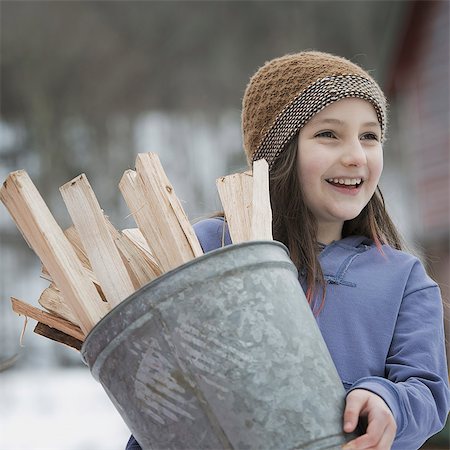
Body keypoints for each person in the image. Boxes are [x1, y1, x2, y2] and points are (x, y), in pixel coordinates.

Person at [126, 51, 449, 450]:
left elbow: (427, 393)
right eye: (328, 134)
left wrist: (389, 403)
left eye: (369, 136)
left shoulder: (402, 279)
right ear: (279, 152)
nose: (355, 155)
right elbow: (156, 397)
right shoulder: (214, 248)